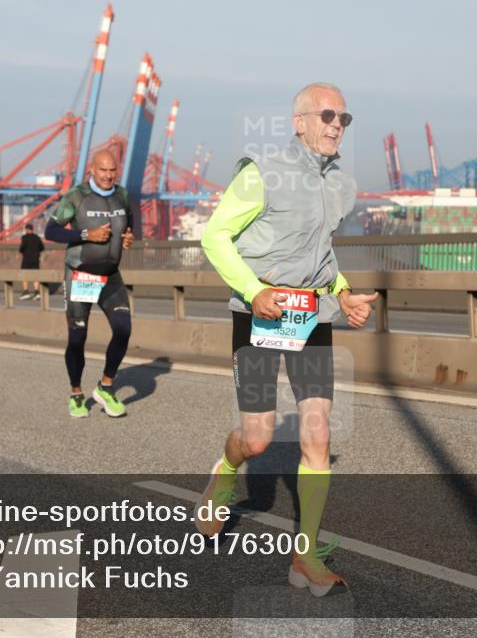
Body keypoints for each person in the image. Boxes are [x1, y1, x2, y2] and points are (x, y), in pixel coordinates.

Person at [197, 83, 378, 596]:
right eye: (327, 115)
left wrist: (343, 294)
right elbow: (214, 236)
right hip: (259, 315)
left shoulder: (341, 183)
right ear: (300, 122)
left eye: (344, 118)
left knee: (317, 436)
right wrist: (253, 290)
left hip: (311, 317)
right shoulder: (261, 172)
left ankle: (305, 558)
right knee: (257, 439)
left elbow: (321, 253)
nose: (336, 125)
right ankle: (226, 470)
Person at [44, 150, 134, 418]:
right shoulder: (77, 196)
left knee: (123, 330)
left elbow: (129, 223)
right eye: (103, 170)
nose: (108, 175)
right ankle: (76, 393)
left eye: (112, 170)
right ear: (92, 170)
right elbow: (51, 231)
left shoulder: (123, 195)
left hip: (111, 275)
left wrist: (129, 236)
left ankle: (105, 386)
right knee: (77, 338)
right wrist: (86, 234)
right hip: (81, 275)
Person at [18, 223, 45, 300]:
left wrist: (23, 252)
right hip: (35, 259)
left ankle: (26, 292)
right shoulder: (37, 237)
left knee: (24, 275)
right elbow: (42, 248)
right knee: (35, 275)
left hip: (26, 259)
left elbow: (21, 248)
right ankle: (37, 292)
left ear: (26, 229)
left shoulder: (24, 237)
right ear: (32, 229)